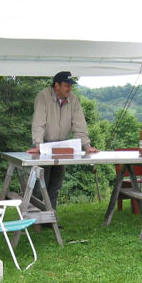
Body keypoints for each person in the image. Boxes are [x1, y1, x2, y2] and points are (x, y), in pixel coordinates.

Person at [28, 71, 99, 212]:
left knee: (56, 184)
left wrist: (87, 145)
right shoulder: (43, 96)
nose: (69, 88)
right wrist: (38, 144)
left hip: (61, 147)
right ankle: (34, 217)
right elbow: (38, 122)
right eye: (67, 85)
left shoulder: (73, 99)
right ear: (57, 85)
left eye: (70, 85)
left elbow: (79, 124)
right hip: (44, 146)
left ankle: (50, 218)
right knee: (39, 185)